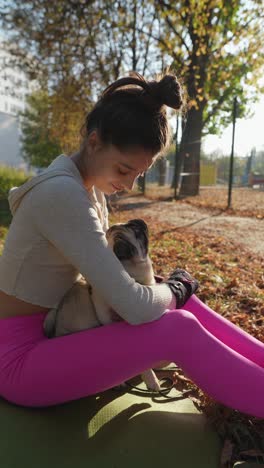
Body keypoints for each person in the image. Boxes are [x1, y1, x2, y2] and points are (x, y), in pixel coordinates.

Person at [0, 71, 263, 417]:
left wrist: (174, 292)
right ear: (93, 142)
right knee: (176, 325)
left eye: (138, 174)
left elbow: (119, 290)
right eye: (124, 170)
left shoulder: (87, 190)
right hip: (19, 360)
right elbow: (134, 307)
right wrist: (174, 291)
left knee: (176, 300)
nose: (129, 183)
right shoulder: (61, 193)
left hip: (57, 336)